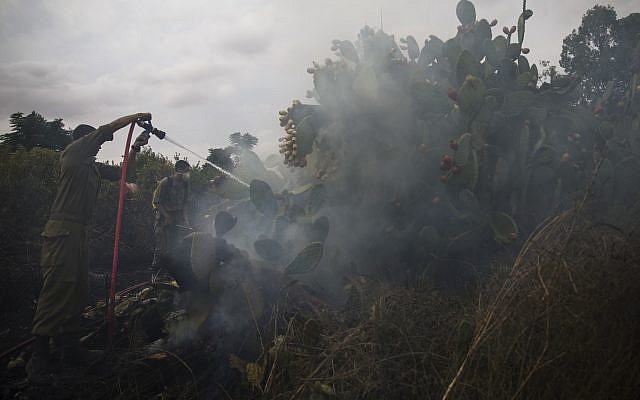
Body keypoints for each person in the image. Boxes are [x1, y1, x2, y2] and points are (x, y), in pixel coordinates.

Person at [27, 113, 152, 385]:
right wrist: (136, 116)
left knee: (77, 290)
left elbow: (123, 174)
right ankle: (40, 357)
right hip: (62, 231)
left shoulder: (92, 168)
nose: (96, 145)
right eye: (92, 141)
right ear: (83, 141)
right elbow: (106, 130)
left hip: (80, 232)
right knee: (57, 287)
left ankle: (71, 350)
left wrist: (136, 147)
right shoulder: (72, 156)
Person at [152, 159, 191, 270]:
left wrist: (186, 220)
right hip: (163, 218)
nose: (188, 174)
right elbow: (156, 201)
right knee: (161, 248)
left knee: (177, 246)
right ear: (178, 170)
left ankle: (172, 273)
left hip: (177, 217)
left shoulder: (185, 184)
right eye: (186, 171)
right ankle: (155, 272)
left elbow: (185, 203)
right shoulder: (166, 182)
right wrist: (167, 216)